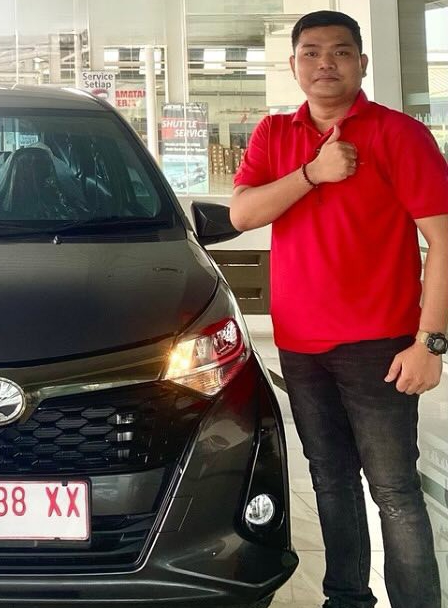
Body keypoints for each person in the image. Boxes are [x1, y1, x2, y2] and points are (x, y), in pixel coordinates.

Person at [230, 10, 447, 608]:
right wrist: (313, 173)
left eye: (341, 51)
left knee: (394, 490)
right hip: (300, 345)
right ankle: (346, 598)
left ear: (362, 63)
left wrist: (430, 343)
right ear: (294, 64)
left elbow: (444, 240)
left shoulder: (399, 134)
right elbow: (243, 214)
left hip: (381, 345)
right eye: (312, 52)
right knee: (330, 480)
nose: (326, 63)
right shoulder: (274, 133)